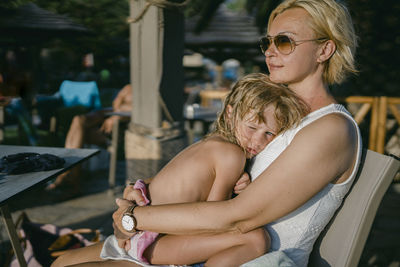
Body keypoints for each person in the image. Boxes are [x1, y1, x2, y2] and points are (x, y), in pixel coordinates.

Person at [55, 0, 363, 266]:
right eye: (267, 42)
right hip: (201, 240)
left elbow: (238, 217)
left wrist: (133, 217)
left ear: (325, 49)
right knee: (60, 261)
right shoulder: (280, 115)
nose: (270, 52)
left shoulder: (330, 129)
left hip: (239, 256)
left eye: (284, 42)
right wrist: (141, 191)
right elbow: (204, 173)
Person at [52, 73, 309, 266]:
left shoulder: (211, 141)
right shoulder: (231, 154)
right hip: (152, 235)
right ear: (230, 115)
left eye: (269, 134)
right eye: (252, 128)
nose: (258, 141)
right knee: (254, 239)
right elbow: (213, 219)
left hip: (141, 221)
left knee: (59, 263)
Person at [46, 84, 132, 191]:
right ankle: (71, 177)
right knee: (78, 119)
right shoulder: (128, 88)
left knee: (80, 132)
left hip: (122, 130)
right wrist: (115, 112)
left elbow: (142, 110)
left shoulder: (150, 92)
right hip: (109, 118)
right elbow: (115, 104)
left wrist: (118, 115)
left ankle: (68, 176)